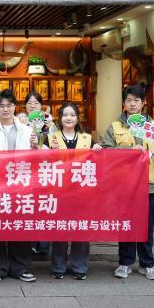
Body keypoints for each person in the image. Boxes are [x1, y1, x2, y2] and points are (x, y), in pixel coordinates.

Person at [102, 84, 154, 281]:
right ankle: (125, 263)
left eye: (136, 100)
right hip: (124, 186)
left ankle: (147, 264)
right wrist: (128, 152)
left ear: (143, 103)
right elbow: (105, 152)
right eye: (128, 100)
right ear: (123, 103)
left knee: (147, 227)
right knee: (126, 225)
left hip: (150, 184)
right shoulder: (115, 127)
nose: (132, 104)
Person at [0, 89, 39, 284]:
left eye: (9, 105)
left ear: (15, 107)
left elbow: (37, 159)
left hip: (20, 186)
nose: (5, 109)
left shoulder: (27, 131)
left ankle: (20, 267)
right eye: (1, 105)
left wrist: (36, 146)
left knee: (20, 226)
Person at [46, 102, 101, 281]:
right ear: (60, 118)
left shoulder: (87, 138)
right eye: (65, 115)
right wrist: (48, 152)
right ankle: (58, 267)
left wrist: (98, 151)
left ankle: (79, 267)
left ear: (77, 118)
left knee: (81, 229)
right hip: (59, 191)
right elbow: (40, 162)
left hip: (82, 192)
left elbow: (98, 163)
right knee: (60, 229)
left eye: (72, 115)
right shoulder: (51, 138)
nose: (68, 118)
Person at [24, 91, 52, 255]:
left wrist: (47, 131)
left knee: (44, 206)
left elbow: (55, 146)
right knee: (28, 206)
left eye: (36, 103)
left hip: (44, 171)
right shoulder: (20, 122)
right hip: (26, 171)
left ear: (41, 106)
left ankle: (44, 245)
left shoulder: (50, 125)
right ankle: (30, 243)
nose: (33, 106)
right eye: (29, 103)